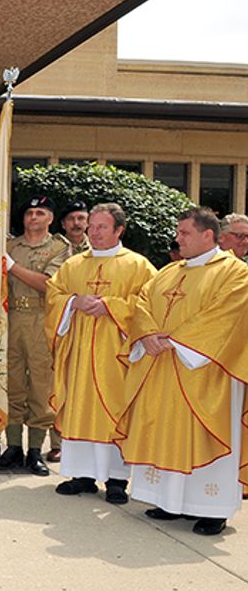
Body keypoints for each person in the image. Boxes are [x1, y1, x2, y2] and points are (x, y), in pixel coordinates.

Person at [112, 207, 248, 536]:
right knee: (165, 430)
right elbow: (141, 302)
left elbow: (228, 316)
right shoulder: (168, 272)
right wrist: (146, 335)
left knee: (203, 434)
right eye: (178, 232)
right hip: (161, 369)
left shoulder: (235, 273)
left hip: (206, 372)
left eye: (184, 233)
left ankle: (211, 509)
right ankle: (170, 502)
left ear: (208, 235)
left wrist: (175, 342)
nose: (177, 238)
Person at [44, 203, 156, 503]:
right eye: (91, 226)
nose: (92, 231)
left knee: (114, 410)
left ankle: (117, 479)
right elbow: (54, 296)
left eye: (101, 227)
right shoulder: (73, 265)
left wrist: (111, 306)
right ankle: (82, 474)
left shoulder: (138, 265)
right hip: (79, 354)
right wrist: (73, 302)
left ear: (119, 230)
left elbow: (148, 305)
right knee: (80, 407)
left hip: (117, 356)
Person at [0, 196, 72, 475]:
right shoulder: (9, 246)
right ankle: (13, 446)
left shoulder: (60, 248)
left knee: (40, 384)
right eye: (29, 213)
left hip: (41, 320)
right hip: (11, 317)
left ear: (50, 218)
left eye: (40, 213)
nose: (34, 218)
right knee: (11, 382)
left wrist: (11, 266)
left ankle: (36, 449)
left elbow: (49, 285)